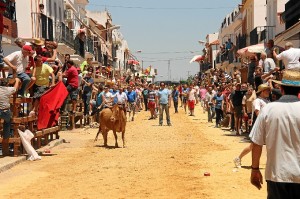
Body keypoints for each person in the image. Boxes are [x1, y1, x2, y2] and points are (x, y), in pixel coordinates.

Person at [250, 70, 300, 198]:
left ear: (281, 88)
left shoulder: (268, 110)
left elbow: (256, 143)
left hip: (276, 174)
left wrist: (255, 169)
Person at [234, 84, 270, 168]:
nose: (268, 91)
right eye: (267, 90)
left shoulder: (267, 101)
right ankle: (238, 158)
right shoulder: (257, 100)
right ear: (262, 91)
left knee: (268, 145)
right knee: (253, 146)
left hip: (266, 125)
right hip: (259, 125)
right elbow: (258, 112)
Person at [0, 77, 20, 156]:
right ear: (7, 84)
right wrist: (17, 81)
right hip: (5, 111)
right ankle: (6, 137)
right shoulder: (8, 89)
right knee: (8, 123)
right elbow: (15, 88)